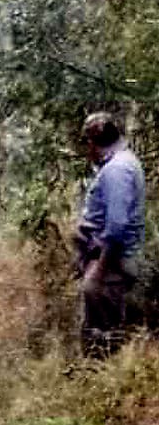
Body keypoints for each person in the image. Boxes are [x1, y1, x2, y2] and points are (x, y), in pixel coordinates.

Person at [73, 113, 146, 355]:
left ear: (92, 142)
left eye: (86, 143)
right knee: (103, 326)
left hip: (110, 264)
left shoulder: (116, 170)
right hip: (108, 261)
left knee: (101, 334)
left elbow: (116, 227)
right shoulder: (122, 163)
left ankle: (100, 372)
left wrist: (98, 272)